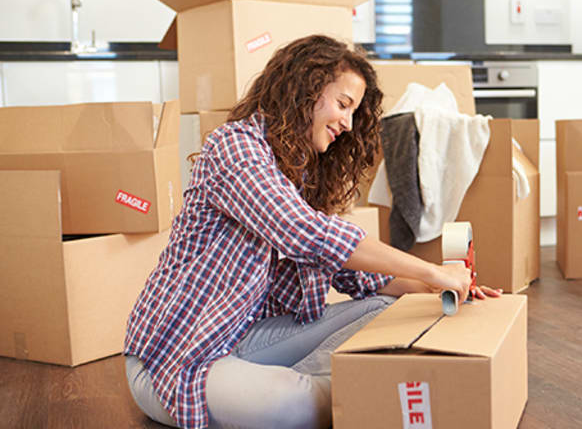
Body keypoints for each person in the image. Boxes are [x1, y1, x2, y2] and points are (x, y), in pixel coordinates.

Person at [124, 34, 501, 429]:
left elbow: (361, 277)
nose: (348, 123)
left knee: (384, 309)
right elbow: (303, 231)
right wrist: (432, 271)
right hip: (181, 357)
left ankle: (346, 386)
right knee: (294, 404)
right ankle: (352, 390)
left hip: (246, 336)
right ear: (304, 90)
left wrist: (443, 289)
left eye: (354, 112)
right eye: (343, 104)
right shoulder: (234, 147)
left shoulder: (299, 176)